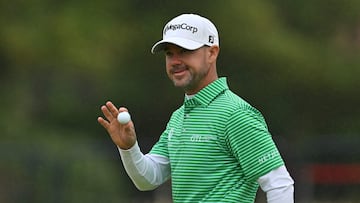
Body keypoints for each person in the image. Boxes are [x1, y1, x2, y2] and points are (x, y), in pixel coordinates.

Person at [98, 13, 294, 203]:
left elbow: (279, 184)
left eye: (185, 51)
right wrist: (128, 148)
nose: (175, 61)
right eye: (169, 53)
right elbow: (148, 179)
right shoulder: (179, 116)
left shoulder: (236, 114)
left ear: (211, 53)